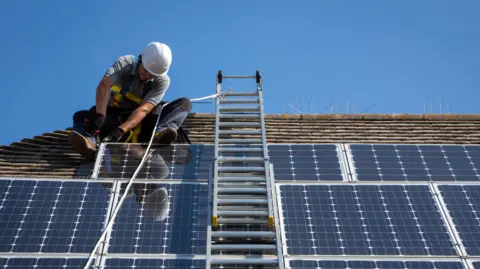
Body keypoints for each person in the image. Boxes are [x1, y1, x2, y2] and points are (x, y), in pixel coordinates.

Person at [68, 42, 192, 161]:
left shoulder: (163, 81)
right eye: (147, 71)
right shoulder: (125, 63)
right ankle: (90, 145)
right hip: (116, 117)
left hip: (145, 122)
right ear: (142, 59)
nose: (149, 76)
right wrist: (100, 116)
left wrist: (120, 131)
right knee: (82, 116)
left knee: (184, 103)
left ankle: (159, 135)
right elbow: (104, 86)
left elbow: (144, 109)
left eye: (153, 75)